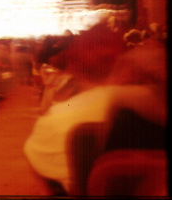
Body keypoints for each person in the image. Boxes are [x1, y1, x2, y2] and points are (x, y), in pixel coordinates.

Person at [23, 31, 167, 195]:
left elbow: (42, 179)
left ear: (75, 67)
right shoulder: (152, 102)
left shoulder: (54, 119)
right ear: (122, 60)